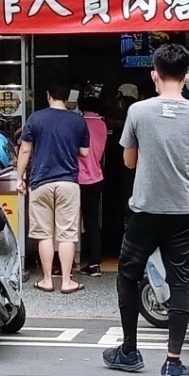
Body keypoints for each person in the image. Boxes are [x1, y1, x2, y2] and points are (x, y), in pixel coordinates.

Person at [103, 44, 189, 376]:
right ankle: (172, 361)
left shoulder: (138, 111)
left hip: (144, 209)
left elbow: (128, 161)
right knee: (180, 279)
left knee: (128, 274)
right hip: (184, 210)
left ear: (154, 74)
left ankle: (128, 350)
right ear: (187, 77)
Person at [17, 82, 89, 294]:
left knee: (44, 234)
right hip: (68, 182)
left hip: (41, 182)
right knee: (67, 234)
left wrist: (20, 177)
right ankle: (67, 281)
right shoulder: (77, 120)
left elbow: (25, 150)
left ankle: (47, 280)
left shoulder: (36, 118)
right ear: (67, 98)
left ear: (48, 95)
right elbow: (85, 152)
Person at [76, 96, 107, 278]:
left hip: (78, 178)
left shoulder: (79, 123)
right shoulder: (102, 125)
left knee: (70, 221)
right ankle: (95, 262)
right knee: (92, 221)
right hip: (97, 176)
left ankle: (67, 262)